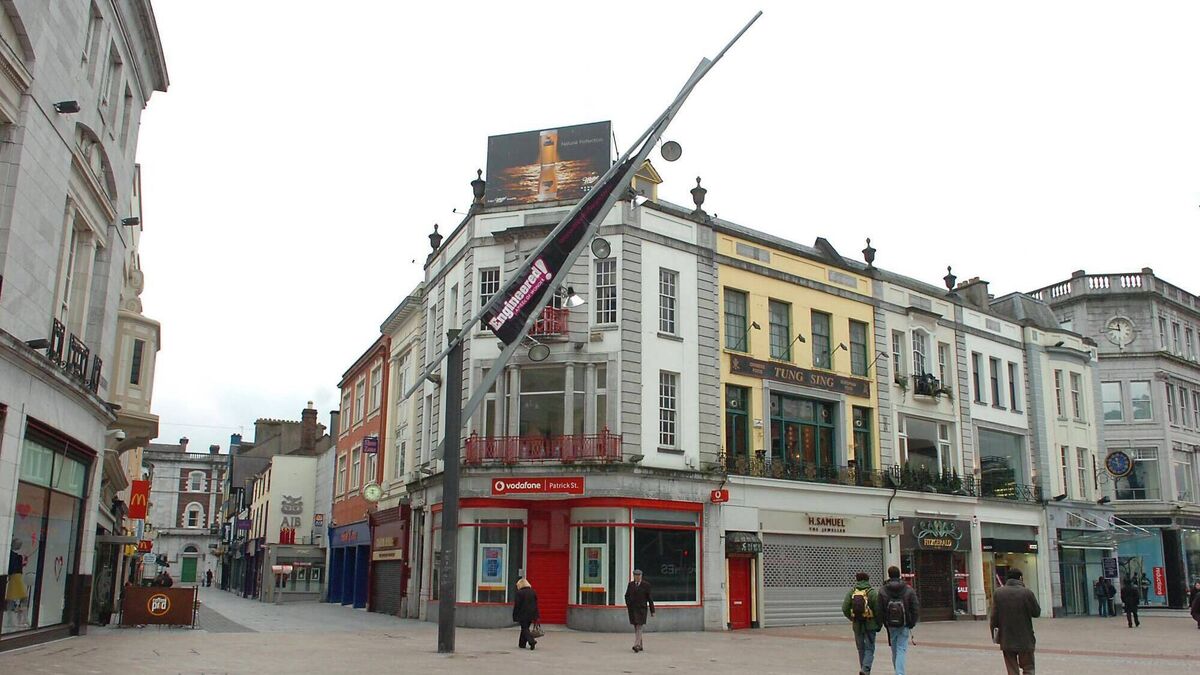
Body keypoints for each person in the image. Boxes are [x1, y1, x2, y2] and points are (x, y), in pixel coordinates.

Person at [990, 568, 1040, 675]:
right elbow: (1036, 612)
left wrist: (995, 636)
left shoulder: (998, 593)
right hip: (1026, 638)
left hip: (1007, 638)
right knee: (1028, 668)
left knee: (1012, 670)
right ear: (1020, 578)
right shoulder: (1027, 593)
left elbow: (994, 617)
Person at [878, 566, 919, 675]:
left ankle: (898, 671)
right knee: (901, 649)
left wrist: (884, 623)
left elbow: (880, 609)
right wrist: (912, 622)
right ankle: (899, 673)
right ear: (899, 574)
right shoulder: (908, 589)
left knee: (895, 649)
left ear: (889, 575)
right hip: (904, 624)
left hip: (890, 624)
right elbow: (915, 607)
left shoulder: (882, 590)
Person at [842, 571, 881, 675]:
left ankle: (864, 669)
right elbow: (878, 610)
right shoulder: (872, 592)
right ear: (868, 580)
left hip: (857, 625)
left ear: (857, 580)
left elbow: (844, 608)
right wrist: (878, 624)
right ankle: (865, 669)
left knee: (861, 648)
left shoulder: (852, 592)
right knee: (869, 648)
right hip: (870, 625)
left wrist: (852, 618)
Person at [624, 569, 654, 653]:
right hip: (633, 609)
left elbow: (650, 598)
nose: (637, 577)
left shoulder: (646, 585)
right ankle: (640, 645)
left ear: (641, 576)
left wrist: (652, 610)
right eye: (635, 575)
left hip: (642, 609)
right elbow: (626, 595)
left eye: (638, 575)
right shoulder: (631, 585)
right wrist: (628, 604)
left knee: (639, 626)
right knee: (635, 626)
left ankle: (636, 645)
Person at [512, 577, 539, 650]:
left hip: (522, 614)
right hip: (532, 614)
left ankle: (531, 641)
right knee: (525, 628)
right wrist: (537, 615)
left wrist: (515, 615)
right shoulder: (533, 592)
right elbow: (536, 604)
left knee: (524, 628)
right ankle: (522, 644)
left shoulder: (519, 593)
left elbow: (517, 605)